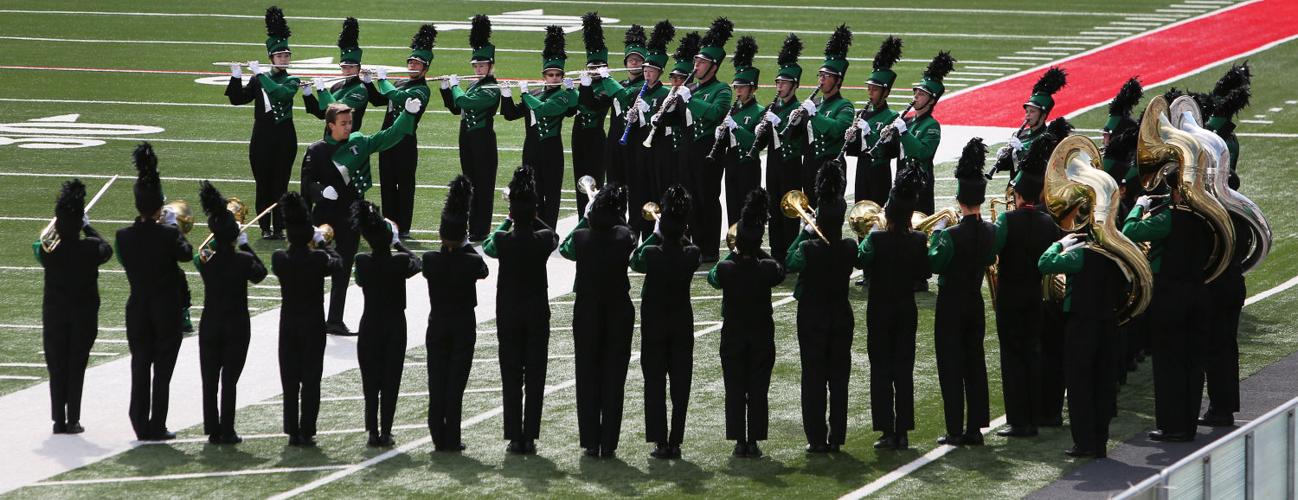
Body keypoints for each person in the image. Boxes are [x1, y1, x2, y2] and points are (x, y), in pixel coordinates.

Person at [300, 99, 419, 336]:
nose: (348, 127)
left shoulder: (359, 143)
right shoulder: (317, 150)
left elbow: (388, 136)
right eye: (343, 123)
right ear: (330, 125)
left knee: (342, 270)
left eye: (350, 122)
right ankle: (308, 318)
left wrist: (407, 114)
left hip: (350, 217)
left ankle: (334, 320)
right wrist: (321, 191)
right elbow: (306, 183)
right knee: (314, 268)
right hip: (323, 217)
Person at [1123, 179, 1213, 442]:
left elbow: (1130, 231)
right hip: (1198, 293)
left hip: (1170, 296)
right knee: (1192, 362)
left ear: (1177, 192)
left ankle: (1172, 426)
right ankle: (1187, 425)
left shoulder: (1171, 218)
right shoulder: (1208, 218)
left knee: (1168, 362)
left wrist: (1138, 207)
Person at [115, 143, 192, 441]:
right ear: (160, 206)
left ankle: (138, 421)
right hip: (166, 309)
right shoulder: (169, 234)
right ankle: (157, 424)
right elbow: (186, 255)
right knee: (162, 371)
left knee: (140, 365)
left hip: (137, 307)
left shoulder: (124, 236)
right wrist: (171, 228)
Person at [483, 166, 559, 454]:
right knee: (535, 375)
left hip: (509, 313)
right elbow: (553, 234)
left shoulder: (503, 240)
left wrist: (509, 218)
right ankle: (530, 435)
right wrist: (529, 212)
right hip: (537, 312)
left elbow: (488, 247)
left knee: (511, 374)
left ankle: (515, 436)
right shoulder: (542, 240)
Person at [989, 133, 1061, 438]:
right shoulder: (1048, 223)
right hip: (1035, 294)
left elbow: (993, 248)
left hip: (1010, 295)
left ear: (1019, 194)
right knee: (1033, 353)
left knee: (1012, 357)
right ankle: (1034, 415)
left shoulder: (1007, 220)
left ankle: (1018, 420)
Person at [560, 183, 638, 458]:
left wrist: (586, 211)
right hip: (618, 310)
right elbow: (629, 233)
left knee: (587, 375)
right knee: (614, 378)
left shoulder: (582, 238)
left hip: (588, 310)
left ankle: (591, 441)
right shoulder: (624, 236)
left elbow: (565, 247)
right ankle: (609, 442)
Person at [708, 188, 786, 458]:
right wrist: (755, 248)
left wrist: (738, 250)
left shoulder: (727, 268)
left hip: (733, 333)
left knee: (735, 387)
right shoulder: (767, 269)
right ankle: (753, 440)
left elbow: (713, 278)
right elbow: (778, 268)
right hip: (762, 332)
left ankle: (739, 440)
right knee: (757, 388)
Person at [927, 139, 995, 446]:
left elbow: (934, 263)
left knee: (951, 365)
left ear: (959, 198)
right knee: (975, 363)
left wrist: (938, 233)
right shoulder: (991, 231)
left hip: (951, 303)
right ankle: (975, 427)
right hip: (974, 300)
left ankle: (955, 428)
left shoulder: (950, 234)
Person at [785, 164, 856, 453]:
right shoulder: (850, 247)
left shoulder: (809, 248)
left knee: (813, 377)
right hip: (841, 315)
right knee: (839, 379)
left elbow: (789, 261)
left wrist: (805, 231)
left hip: (813, 317)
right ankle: (837, 436)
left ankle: (816, 438)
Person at [857, 167, 930, 450]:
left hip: (879, 310)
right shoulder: (918, 240)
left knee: (881, 371)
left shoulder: (876, 239)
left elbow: (861, 261)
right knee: (903, 370)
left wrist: (873, 231)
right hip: (905, 310)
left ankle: (887, 430)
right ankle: (903, 430)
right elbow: (924, 271)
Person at [33, 179, 112, 435]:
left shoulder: (48, 251)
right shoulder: (90, 248)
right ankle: (73, 419)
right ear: (78, 222)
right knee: (76, 366)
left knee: (56, 366)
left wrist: (59, 224)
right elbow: (106, 249)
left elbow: (40, 244)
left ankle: (58, 420)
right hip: (83, 315)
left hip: (55, 314)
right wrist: (89, 226)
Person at [1038, 230, 1126, 458]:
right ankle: (1100, 442)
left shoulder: (1081, 255)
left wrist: (1059, 244)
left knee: (1079, 383)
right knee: (1103, 382)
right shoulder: (1118, 252)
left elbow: (1045, 263)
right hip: (1108, 321)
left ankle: (1084, 442)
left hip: (1082, 324)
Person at [194, 181, 267, 445]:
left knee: (210, 378)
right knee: (230, 380)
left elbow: (198, 255)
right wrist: (245, 245)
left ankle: (212, 428)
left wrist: (220, 235)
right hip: (236, 323)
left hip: (210, 322)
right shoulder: (243, 260)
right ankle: (228, 429)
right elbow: (261, 274)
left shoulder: (206, 259)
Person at [631, 185, 701, 459]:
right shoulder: (692, 252)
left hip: (655, 319)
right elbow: (685, 245)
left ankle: (660, 441)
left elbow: (635, 262)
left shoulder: (652, 253)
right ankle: (676, 439)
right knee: (681, 382)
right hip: (682, 319)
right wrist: (675, 231)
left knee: (655, 382)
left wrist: (654, 235)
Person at [271, 192, 342, 447]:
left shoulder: (280, 259)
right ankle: (308, 429)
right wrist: (321, 242)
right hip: (313, 322)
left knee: (289, 378)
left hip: (288, 323)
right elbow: (338, 263)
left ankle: (292, 430)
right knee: (311, 378)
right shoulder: (318, 258)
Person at [423, 175, 488, 452]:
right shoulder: (471, 261)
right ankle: (452, 437)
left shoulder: (430, 260)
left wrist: (451, 241)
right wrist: (463, 242)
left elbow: (437, 256)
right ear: (463, 236)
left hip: (436, 324)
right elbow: (482, 269)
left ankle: (438, 434)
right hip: (463, 324)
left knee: (436, 380)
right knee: (456, 383)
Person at [1202, 69, 1252, 427]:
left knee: (1216, 348)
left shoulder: (1217, 212)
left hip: (1218, 282)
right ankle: (1224, 406)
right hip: (1234, 281)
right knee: (1226, 347)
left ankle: (1220, 410)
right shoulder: (1241, 210)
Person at [225, 6, 298, 240]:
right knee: (263, 183)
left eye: (286, 55)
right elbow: (238, 99)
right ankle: (265, 226)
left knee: (280, 184)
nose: (284, 59)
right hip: (262, 137)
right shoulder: (258, 79)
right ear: (271, 58)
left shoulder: (292, 80)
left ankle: (280, 226)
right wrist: (236, 76)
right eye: (279, 56)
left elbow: (280, 94)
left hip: (285, 137)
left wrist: (261, 75)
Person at [352, 201, 421, 447]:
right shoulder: (400, 261)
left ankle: (372, 430)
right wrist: (397, 242)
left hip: (369, 323)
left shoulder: (361, 260)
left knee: (370, 382)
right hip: (394, 325)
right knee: (391, 380)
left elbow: (359, 281)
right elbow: (418, 263)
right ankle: (387, 431)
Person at [500, 26, 578, 229]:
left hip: (552, 150)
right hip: (531, 148)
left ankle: (549, 230)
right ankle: (532, 227)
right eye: (550, 74)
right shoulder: (534, 92)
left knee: (552, 192)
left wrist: (525, 95)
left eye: (557, 75)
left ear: (561, 77)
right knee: (533, 191)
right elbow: (509, 115)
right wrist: (506, 94)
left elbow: (544, 110)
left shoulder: (561, 96)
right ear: (544, 76)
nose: (553, 78)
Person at [368, 24, 435, 239]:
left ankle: (404, 227)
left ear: (425, 68)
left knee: (405, 186)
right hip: (387, 139)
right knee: (387, 184)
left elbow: (398, 98)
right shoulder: (398, 82)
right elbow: (380, 100)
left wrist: (382, 81)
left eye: (417, 63)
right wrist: (369, 83)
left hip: (405, 141)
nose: (412, 65)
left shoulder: (422, 89)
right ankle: (389, 224)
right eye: (410, 62)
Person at [441, 14, 502, 242]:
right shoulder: (473, 84)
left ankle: (480, 229)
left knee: (483, 185)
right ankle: (469, 226)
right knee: (469, 182)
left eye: (482, 65)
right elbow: (457, 109)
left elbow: (466, 103)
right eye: (476, 65)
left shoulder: (492, 88)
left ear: (490, 66)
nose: (478, 69)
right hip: (466, 137)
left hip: (483, 140)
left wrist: (456, 88)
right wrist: (447, 89)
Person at [680, 18, 734, 262]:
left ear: (713, 66)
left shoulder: (722, 89)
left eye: (701, 63)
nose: (696, 66)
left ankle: (709, 247)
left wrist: (689, 98)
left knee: (707, 198)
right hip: (689, 148)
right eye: (696, 61)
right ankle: (693, 241)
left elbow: (715, 113)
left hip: (709, 150)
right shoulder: (692, 88)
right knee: (690, 197)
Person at [621, 21, 675, 240]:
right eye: (645, 70)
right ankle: (636, 234)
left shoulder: (665, 94)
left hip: (658, 152)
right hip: (638, 152)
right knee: (637, 193)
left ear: (659, 72)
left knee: (655, 192)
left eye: (651, 70)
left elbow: (667, 124)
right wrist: (632, 118)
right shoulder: (637, 92)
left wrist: (648, 118)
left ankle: (657, 234)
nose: (646, 74)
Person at [797, 25, 854, 202]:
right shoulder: (815, 104)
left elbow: (836, 130)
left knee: (828, 216)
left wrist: (813, 115)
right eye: (820, 75)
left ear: (838, 80)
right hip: (809, 166)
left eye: (826, 76)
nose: (821, 79)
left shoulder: (845, 106)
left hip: (831, 168)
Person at [763, 33, 805, 264]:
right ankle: (776, 252)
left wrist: (778, 123)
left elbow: (793, 139)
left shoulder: (799, 109)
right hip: (772, 164)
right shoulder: (773, 107)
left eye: (784, 83)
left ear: (794, 85)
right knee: (773, 208)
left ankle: (788, 254)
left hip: (790, 165)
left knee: (789, 209)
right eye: (778, 82)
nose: (779, 86)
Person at [573, 13, 619, 216]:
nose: (594, 71)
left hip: (596, 137)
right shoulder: (585, 84)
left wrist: (582, 86)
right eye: (591, 68)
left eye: (598, 68)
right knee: (579, 181)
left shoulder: (607, 88)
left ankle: (597, 217)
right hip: (578, 136)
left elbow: (590, 104)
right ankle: (580, 220)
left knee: (596, 181)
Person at [900, 51, 955, 216]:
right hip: (901, 180)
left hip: (920, 185)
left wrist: (903, 133)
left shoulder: (932, 126)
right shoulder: (908, 122)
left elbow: (922, 152)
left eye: (922, 94)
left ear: (931, 100)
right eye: (916, 92)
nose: (916, 96)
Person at [989, 67, 1067, 182]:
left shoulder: (1047, 139)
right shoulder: (1020, 135)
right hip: (1014, 190)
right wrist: (1003, 157)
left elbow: (1039, 166)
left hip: (1033, 192)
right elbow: (1011, 166)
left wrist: (1021, 151)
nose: (1027, 115)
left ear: (1043, 115)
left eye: (1032, 112)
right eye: (1027, 111)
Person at [719, 36, 764, 227]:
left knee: (749, 210)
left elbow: (755, 142)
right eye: (736, 87)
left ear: (752, 89)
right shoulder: (733, 110)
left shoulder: (761, 111)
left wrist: (735, 128)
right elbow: (727, 141)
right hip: (731, 162)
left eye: (742, 87)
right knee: (732, 208)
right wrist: (720, 136)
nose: (738, 91)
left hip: (748, 165)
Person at [303, 17, 369, 136]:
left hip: (347, 140)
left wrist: (322, 91)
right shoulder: (336, 86)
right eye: (344, 67)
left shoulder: (361, 90)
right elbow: (322, 113)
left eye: (351, 67)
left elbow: (337, 109)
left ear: (358, 68)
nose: (348, 70)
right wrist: (308, 94)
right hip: (329, 139)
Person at [605, 24, 648, 187]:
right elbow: (593, 103)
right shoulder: (620, 84)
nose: (634, 62)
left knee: (636, 189)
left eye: (637, 59)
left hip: (635, 144)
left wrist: (606, 79)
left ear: (644, 63)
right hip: (614, 145)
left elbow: (625, 97)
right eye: (631, 59)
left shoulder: (644, 86)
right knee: (613, 189)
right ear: (625, 62)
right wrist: (587, 85)